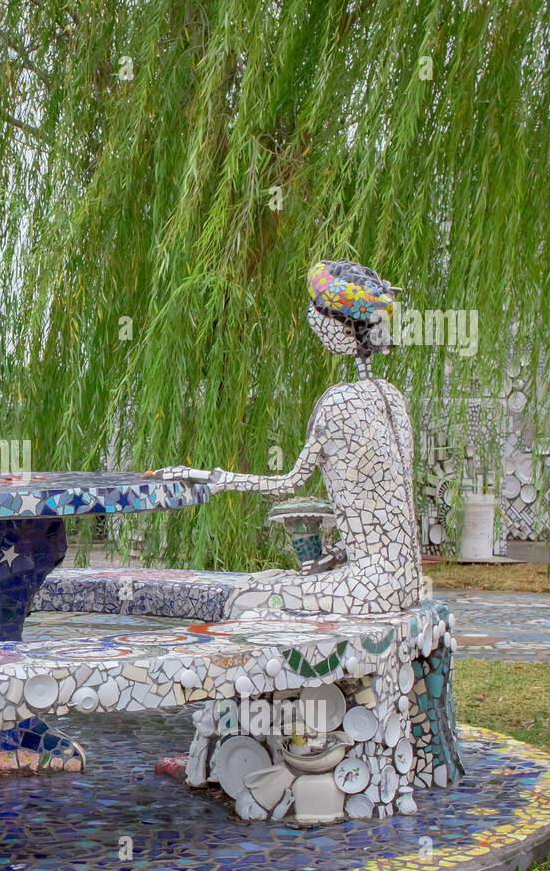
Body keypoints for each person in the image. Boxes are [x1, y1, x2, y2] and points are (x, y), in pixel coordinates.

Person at [160, 260, 424, 617]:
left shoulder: (338, 402)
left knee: (246, 597)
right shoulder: (392, 396)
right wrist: (341, 552)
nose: (313, 321)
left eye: (318, 314)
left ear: (344, 329)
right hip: (409, 580)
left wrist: (216, 480)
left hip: (372, 587)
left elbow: (289, 483)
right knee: (274, 584)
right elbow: (390, 500)